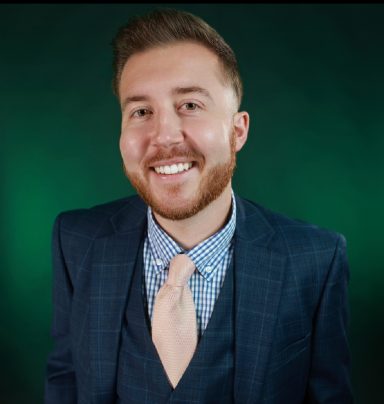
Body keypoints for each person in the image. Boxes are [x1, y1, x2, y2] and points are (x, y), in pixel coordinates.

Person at [44, 8, 353, 404]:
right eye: (141, 111)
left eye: (189, 105)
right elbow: (65, 376)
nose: (164, 135)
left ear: (237, 130)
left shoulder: (317, 260)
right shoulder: (75, 240)